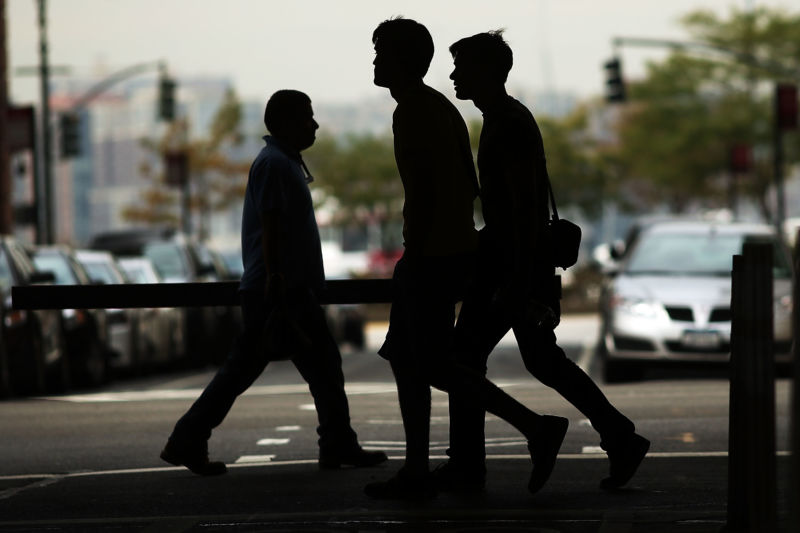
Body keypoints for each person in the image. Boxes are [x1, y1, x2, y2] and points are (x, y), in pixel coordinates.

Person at [364, 17, 569, 501]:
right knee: (410, 358)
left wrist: (426, 254)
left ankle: (534, 428)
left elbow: (442, 192)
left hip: (433, 255)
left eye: (381, 53)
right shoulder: (432, 109)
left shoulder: (418, 112)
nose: (374, 61)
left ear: (404, 60)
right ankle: (422, 467)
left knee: (438, 364)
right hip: (440, 251)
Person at [439, 31, 649, 492]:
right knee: (539, 359)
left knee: (463, 358)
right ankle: (619, 436)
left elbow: (523, 206)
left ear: (489, 72)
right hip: (517, 263)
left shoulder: (507, 123)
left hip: (509, 264)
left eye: (462, 67)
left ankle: (471, 462)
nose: (453, 75)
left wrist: (515, 279)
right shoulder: (505, 118)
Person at [160, 90, 387, 476]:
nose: (314, 125)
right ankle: (335, 443)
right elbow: (271, 223)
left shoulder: (281, 162)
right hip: (280, 290)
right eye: (307, 118)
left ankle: (189, 438)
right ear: (284, 123)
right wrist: (278, 277)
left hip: (278, 288)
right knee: (314, 367)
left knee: (264, 369)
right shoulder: (274, 165)